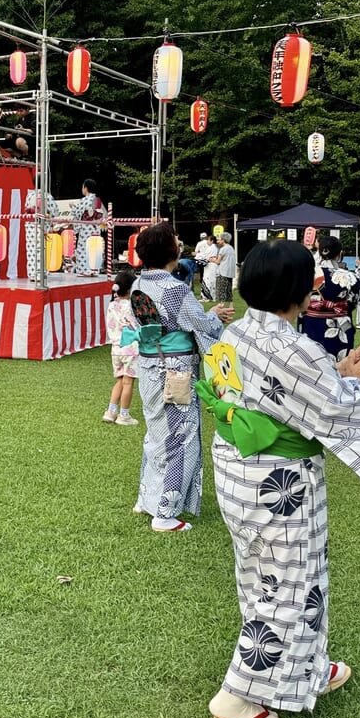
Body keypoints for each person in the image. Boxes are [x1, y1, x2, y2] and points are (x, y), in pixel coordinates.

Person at [201, 239, 360, 718]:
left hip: (239, 470)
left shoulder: (234, 332)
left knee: (265, 576)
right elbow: (337, 409)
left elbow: (282, 392)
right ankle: (236, 696)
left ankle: (302, 671)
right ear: (302, 291)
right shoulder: (293, 347)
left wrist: (336, 373)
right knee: (288, 582)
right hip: (280, 481)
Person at [130, 222, 234, 532]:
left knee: (156, 434)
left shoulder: (139, 285)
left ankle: (146, 498)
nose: (179, 242)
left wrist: (206, 316)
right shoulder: (175, 289)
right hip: (175, 370)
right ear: (169, 250)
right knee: (181, 438)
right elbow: (200, 326)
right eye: (175, 239)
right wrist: (213, 317)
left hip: (149, 365)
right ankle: (165, 511)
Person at [301, 236, 360, 361]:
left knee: (311, 362)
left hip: (311, 323)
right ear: (340, 254)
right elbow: (353, 301)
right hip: (340, 324)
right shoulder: (350, 277)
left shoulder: (305, 275)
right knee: (339, 367)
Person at [103, 271, 140, 426]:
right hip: (130, 348)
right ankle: (124, 415)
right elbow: (136, 325)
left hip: (115, 348)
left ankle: (111, 411)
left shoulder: (112, 305)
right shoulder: (131, 306)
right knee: (128, 382)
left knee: (119, 380)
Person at [65, 180, 107, 276]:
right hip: (95, 228)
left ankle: (85, 270)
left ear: (86, 188)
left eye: (83, 187)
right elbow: (103, 215)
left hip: (86, 228)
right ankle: (94, 270)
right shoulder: (97, 200)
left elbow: (77, 213)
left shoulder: (84, 200)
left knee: (84, 249)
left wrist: (72, 206)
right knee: (95, 249)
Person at [211, 232, 237, 301]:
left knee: (221, 293)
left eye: (220, 239)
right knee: (228, 292)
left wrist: (212, 260)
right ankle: (229, 304)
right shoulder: (231, 248)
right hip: (230, 273)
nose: (218, 241)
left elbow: (218, 261)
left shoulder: (223, 249)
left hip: (222, 272)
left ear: (223, 240)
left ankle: (221, 305)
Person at [193, 233, 217, 301]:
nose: (207, 242)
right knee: (212, 281)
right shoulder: (216, 247)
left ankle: (206, 297)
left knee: (207, 280)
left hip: (210, 265)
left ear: (212, 241)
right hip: (213, 265)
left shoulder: (212, 247)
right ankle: (212, 297)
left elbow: (204, 255)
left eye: (208, 240)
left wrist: (196, 255)